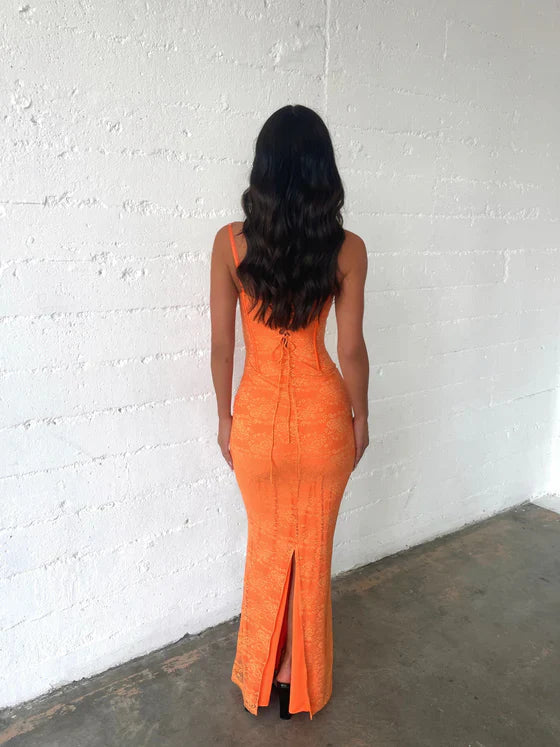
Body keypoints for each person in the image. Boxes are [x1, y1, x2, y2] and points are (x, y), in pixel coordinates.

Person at [210, 104, 369, 720]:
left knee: (267, 545)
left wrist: (224, 420)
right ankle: (299, 680)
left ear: (263, 167)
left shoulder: (230, 243)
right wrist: (361, 419)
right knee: (313, 549)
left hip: (256, 421)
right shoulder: (348, 249)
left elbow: (222, 346)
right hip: (325, 418)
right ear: (325, 171)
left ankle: (262, 671)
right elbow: (350, 350)